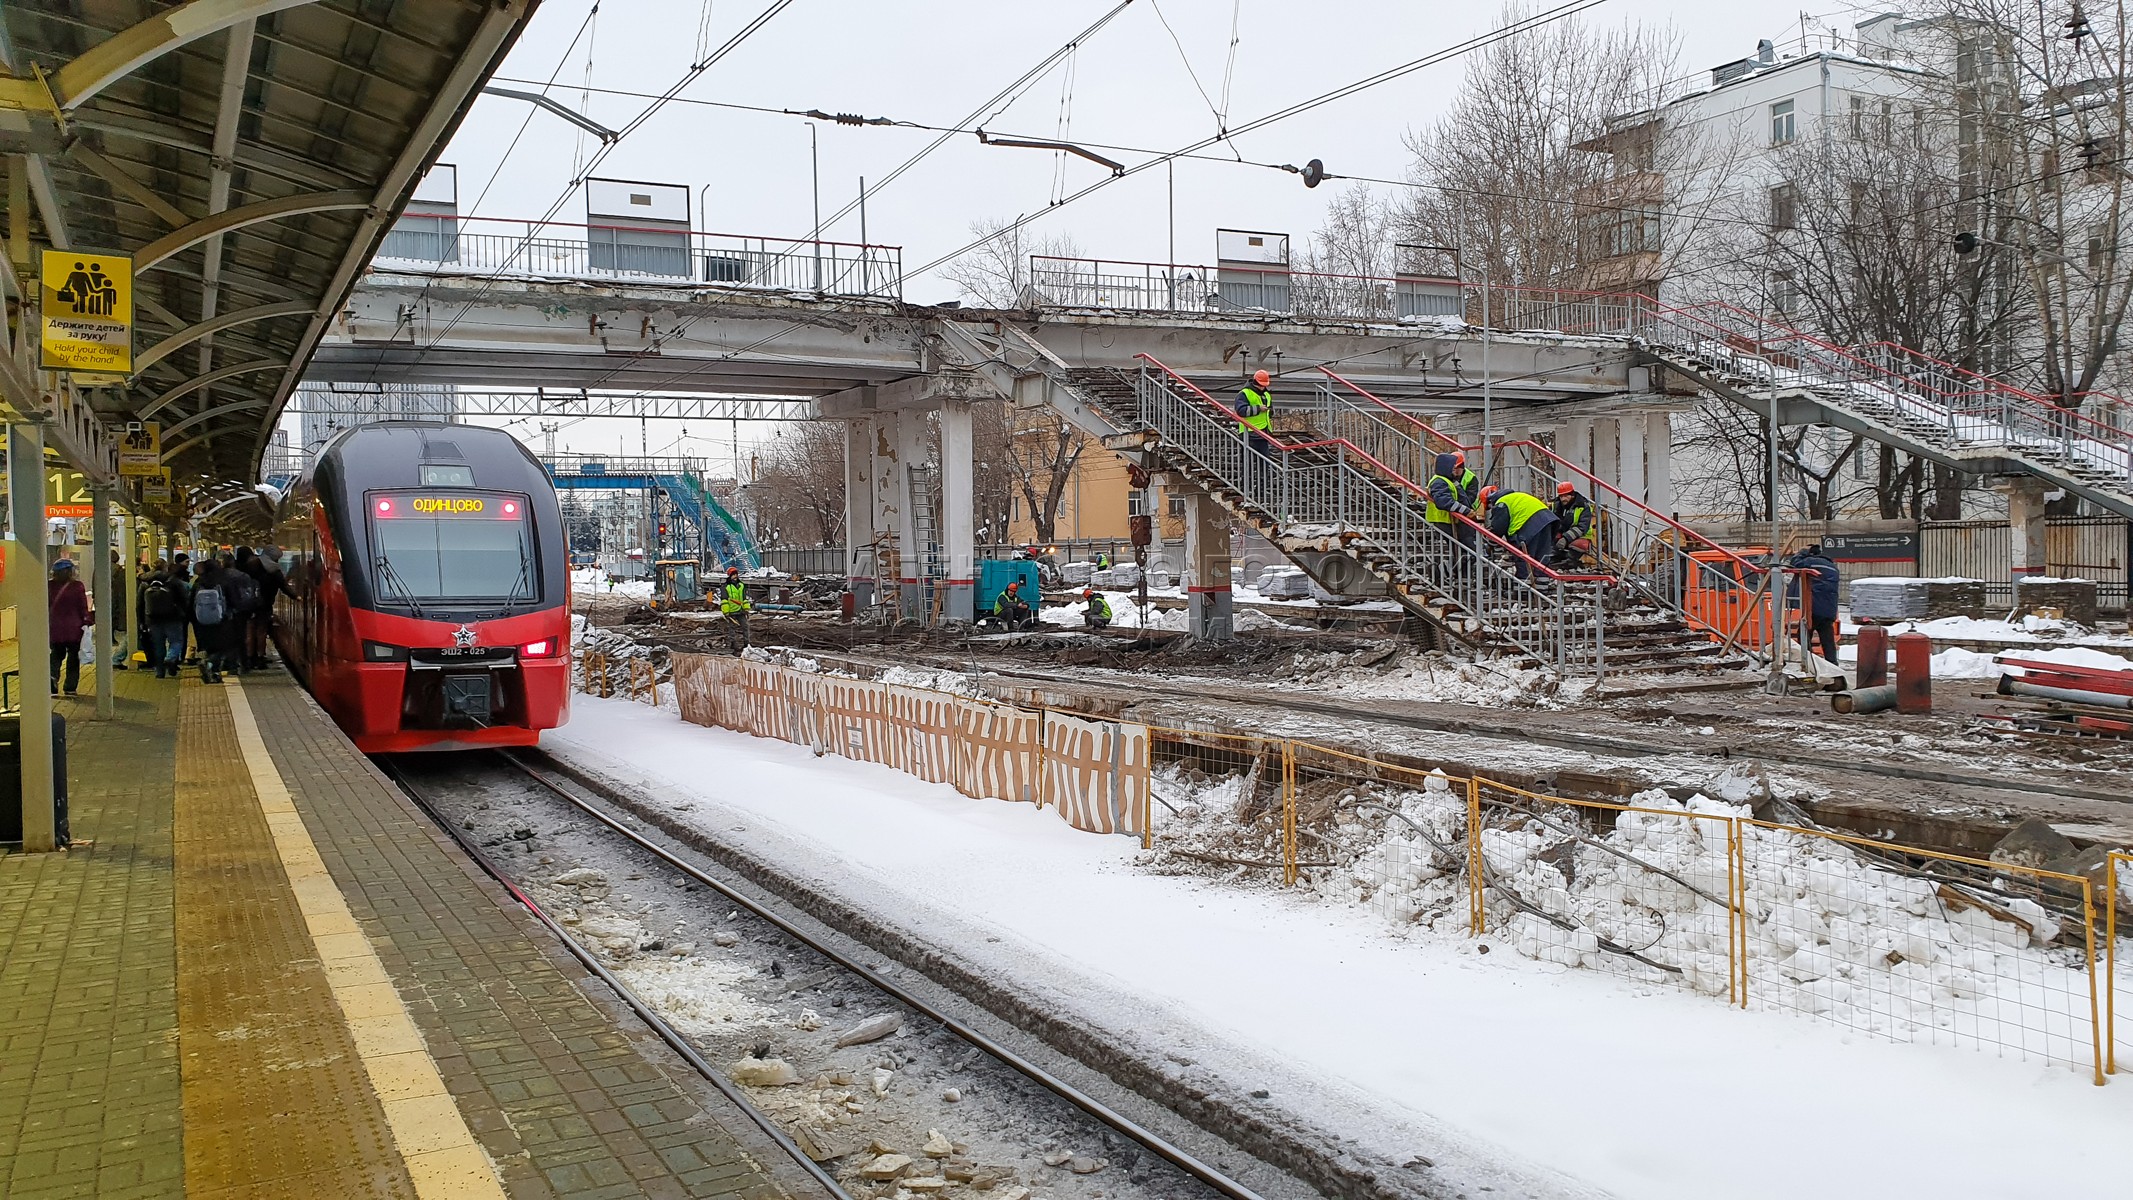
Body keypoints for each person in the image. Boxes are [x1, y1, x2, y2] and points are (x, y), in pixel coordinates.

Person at [1480, 486, 1561, 581]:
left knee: (1524, 559)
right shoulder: (1517, 497)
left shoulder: (1501, 503)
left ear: (1489, 501)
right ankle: (1542, 589)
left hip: (1530, 526)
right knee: (1541, 559)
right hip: (1547, 521)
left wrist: (1490, 542)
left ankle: (1523, 591)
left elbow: (1498, 528)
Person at [1787, 544, 1842, 664]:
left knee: (1803, 635)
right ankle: (1833, 665)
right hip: (1829, 610)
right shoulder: (1833, 567)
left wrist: (1802, 552)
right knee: (1827, 640)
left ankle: (1807, 663)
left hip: (1813, 607)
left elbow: (1795, 562)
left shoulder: (1811, 562)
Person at [47, 560, 89, 697]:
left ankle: (52, 682)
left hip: (55, 627)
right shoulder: (77, 586)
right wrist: (86, 620)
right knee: (73, 656)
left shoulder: (49, 586)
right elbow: (82, 606)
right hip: (74, 628)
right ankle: (70, 687)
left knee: (56, 655)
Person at [1425, 451, 1481, 553]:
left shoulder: (1448, 480)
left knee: (1463, 550)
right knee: (1464, 549)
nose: (1455, 470)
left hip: (1450, 521)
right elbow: (1444, 501)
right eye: (1453, 468)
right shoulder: (1439, 482)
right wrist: (1466, 511)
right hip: (1444, 521)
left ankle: (1460, 566)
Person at [142, 561, 189, 679]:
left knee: (158, 645)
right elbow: (183, 599)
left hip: (153, 619)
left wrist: (142, 620)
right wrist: (185, 614)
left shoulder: (145, 582)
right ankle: (170, 658)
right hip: (173, 617)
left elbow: (140, 604)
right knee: (176, 641)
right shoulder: (173, 581)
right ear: (165, 568)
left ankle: (159, 672)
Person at [191, 559, 233, 683]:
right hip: (220, 620)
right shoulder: (223, 581)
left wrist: (192, 619)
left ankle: (209, 665)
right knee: (221, 647)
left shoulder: (198, 582)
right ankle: (211, 667)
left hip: (201, 620)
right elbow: (231, 599)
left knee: (208, 646)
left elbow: (191, 601)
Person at [1551, 481, 1598, 568]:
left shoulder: (1583, 506)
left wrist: (1565, 538)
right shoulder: (1557, 505)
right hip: (1563, 534)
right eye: (1561, 496)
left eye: (1566, 496)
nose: (1563, 499)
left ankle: (1570, 563)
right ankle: (1555, 561)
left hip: (1581, 536)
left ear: (1572, 495)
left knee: (1578, 545)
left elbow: (1582, 527)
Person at [1235, 369, 1274, 455]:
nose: (1262, 387)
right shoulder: (1245, 393)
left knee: (1264, 463)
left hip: (1263, 433)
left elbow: (1270, 412)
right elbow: (1241, 411)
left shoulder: (1267, 395)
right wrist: (1258, 409)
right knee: (1248, 462)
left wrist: (1270, 411)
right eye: (1261, 385)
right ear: (1255, 382)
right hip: (1249, 433)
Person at [719, 566, 752, 651]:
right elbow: (724, 600)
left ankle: (746, 643)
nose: (735, 576)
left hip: (741, 610)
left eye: (736, 574)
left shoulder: (741, 585)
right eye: (733, 575)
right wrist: (726, 611)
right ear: (730, 576)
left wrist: (746, 608)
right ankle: (733, 644)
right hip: (731, 611)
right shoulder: (726, 587)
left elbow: (744, 598)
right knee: (732, 628)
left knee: (745, 626)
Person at [109, 550, 129, 670]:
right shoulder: (118, 570)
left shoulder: (99, 568)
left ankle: (110, 637)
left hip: (106, 598)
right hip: (117, 599)